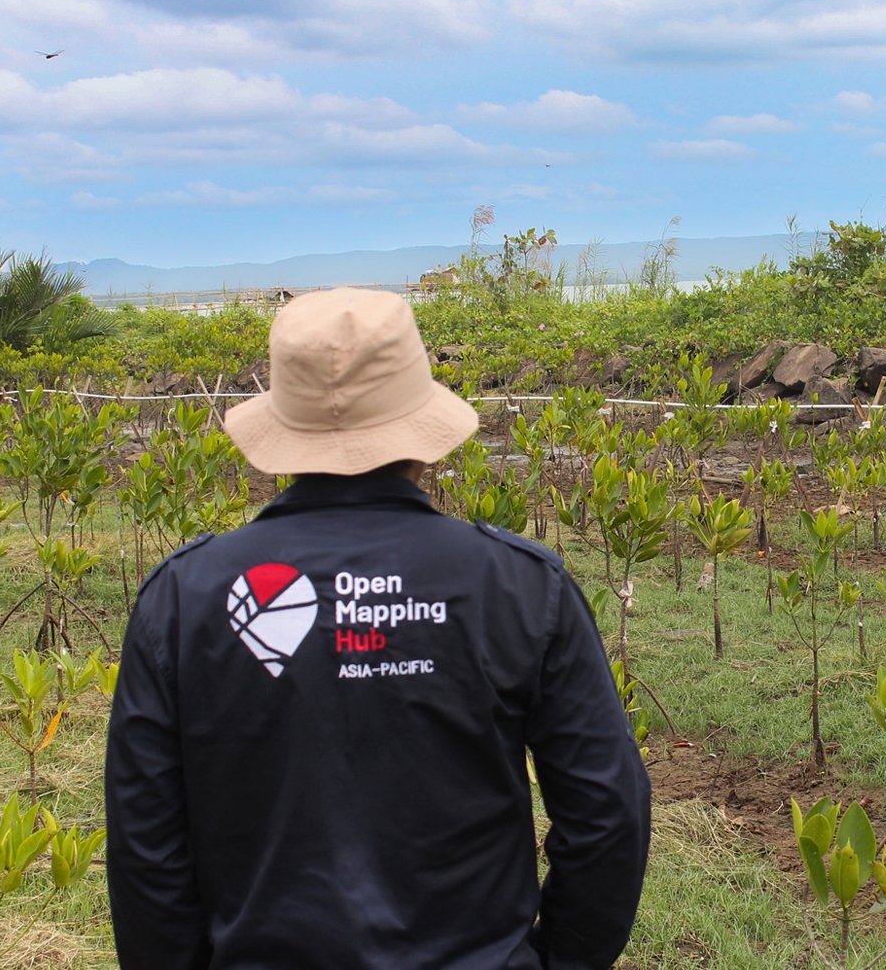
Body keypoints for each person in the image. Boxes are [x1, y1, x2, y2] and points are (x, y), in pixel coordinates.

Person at [105, 287, 652, 969]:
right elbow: (607, 815)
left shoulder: (186, 597)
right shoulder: (520, 587)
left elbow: (146, 850)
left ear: (283, 428)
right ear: (421, 429)